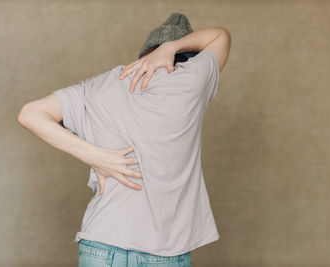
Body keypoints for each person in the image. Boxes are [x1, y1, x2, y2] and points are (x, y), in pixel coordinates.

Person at [18, 12, 231, 267]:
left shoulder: (97, 87)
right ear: (187, 58)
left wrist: (95, 156)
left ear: (144, 54)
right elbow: (221, 36)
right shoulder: (191, 79)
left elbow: (29, 114)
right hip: (163, 251)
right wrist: (172, 47)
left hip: (101, 242)